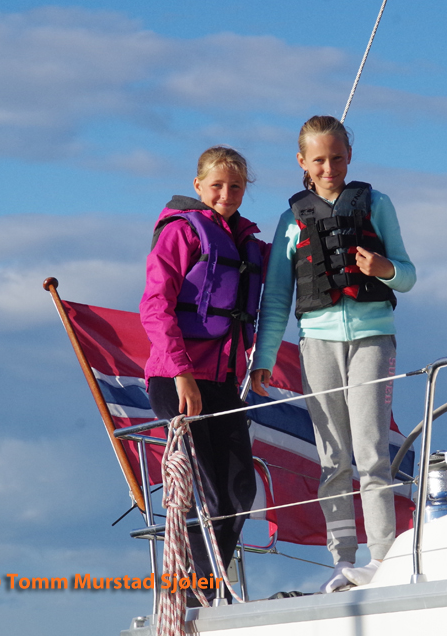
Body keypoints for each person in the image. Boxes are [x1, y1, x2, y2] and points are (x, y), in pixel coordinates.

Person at [249, 116, 416, 593]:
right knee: (333, 457)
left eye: (337, 158)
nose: (329, 168)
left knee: (371, 452)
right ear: (302, 162)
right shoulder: (290, 221)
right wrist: (264, 358)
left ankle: (382, 557)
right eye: (319, 160)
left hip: (373, 339)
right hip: (317, 343)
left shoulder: (378, 205)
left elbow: (407, 274)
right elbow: (276, 297)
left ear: (350, 156)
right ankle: (343, 560)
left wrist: (384, 269)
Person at [139, 146, 266, 603]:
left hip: (223, 384)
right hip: (177, 380)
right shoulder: (182, 232)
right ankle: (193, 597)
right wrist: (181, 373)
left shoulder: (249, 244)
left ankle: (203, 592)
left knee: (238, 491)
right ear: (198, 186)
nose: (226, 194)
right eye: (217, 185)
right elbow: (155, 306)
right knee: (205, 491)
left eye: (236, 187)